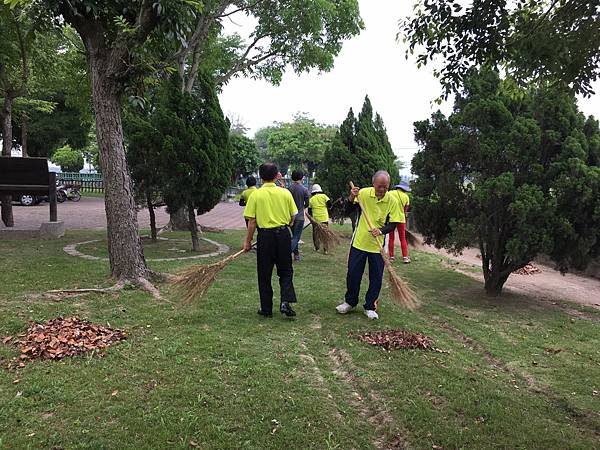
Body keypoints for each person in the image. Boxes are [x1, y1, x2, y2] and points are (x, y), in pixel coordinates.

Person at [335, 171, 402, 320]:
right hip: (359, 242)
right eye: (379, 187)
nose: (382, 190)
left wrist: (381, 231)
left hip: (378, 247)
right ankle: (350, 302)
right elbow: (348, 210)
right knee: (353, 274)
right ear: (373, 184)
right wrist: (352, 197)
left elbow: (393, 224)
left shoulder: (392, 200)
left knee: (376, 277)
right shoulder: (363, 194)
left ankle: (370, 306)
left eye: (385, 187)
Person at [243, 163, 298, 318]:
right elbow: (293, 216)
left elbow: (252, 221)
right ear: (276, 176)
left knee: (264, 273)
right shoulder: (285, 193)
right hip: (283, 235)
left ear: (261, 176)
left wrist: (248, 241)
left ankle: (266, 309)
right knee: (286, 271)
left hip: (265, 237)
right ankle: (285, 301)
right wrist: (289, 221)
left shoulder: (256, 195)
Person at [288, 170, 309, 262]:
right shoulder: (304, 190)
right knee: (296, 237)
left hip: (290, 216)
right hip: (300, 217)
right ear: (301, 177)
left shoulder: (289, 189)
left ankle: (296, 255)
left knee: (294, 236)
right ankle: (286, 254)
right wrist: (302, 207)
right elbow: (307, 203)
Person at [387, 181, 411, 263]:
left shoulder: (390, 193)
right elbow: (405, 210)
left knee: (391, 238)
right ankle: (405, 257)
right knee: (402, 238)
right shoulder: (406, 197)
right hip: (401, 219)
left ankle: (391, 257)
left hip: (391, 218)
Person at [308, 184, 332, 254]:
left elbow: (309, 211)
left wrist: (312, 218)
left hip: (315, 220)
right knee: (325, 234)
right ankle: (326, 249)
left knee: (316, 234)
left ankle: (317, 248)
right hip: (324, 218)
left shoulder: (311, 199)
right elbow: (330, 204)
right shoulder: (324, 196)